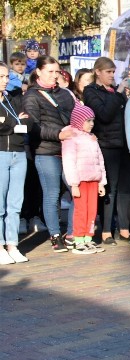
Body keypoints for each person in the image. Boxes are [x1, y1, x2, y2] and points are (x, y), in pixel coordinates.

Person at [23, 55, 76, 252]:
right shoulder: (32, 95)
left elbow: (77, 117)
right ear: (38, 72)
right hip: (46, 151)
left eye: (57, 72)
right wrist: (59, 134)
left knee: (75, 191)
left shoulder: (65, 94)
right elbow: (33, 127)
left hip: (69, 151)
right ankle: (55, 235)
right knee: (52, 194)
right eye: (50, 72)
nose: (55, 76)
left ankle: (72, 233)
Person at [83, 57, 130, 245]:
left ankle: (124, 228)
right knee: (109, 190)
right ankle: (106, 230)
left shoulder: (116, 92)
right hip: (107, 145)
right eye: (109, 72)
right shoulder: (91, 92)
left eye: (114, 72)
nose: (112, 76)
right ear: (98, 72)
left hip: (125, 145)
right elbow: (103, 115)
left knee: (124, 189)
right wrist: (118, 93)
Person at [61, 105, 107, 255]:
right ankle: (78, 240)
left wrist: (101, 182)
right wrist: (73, 183)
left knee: (92, 210)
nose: (91, 123)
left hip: (93, 180)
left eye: (93, 120)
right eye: (88, 120)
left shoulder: (92, 138)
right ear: (79, 120)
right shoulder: (71, 137)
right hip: (80, 181)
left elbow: (100, 160)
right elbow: (69, 161)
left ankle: (88, 238)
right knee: (80, 210)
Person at [0, 62, 31, 264]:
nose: (5, 80)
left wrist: (8, 124)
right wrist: (14, 123)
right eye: (1, 76)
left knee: (15, 203)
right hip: (1, 153)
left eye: (6, 76)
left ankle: (12, 244)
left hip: (18, 154)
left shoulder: (13, 99)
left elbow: (28, 122)